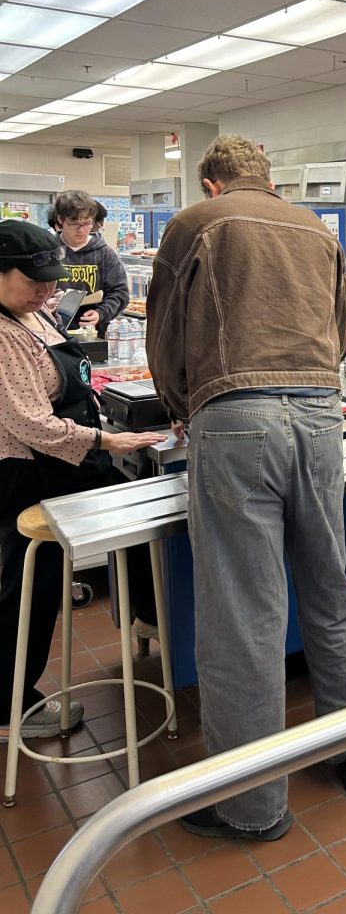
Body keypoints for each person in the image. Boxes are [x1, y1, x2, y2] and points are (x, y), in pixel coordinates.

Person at [146, 134, 346, 843]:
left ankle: (250, 806)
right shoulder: (316, 229)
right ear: (269, 181)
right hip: (319, 417)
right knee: (329, 586)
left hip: (233, 418)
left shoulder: (195, 224)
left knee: (246, 613)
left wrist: (187, 406)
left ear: (212, 183)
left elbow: (162, 335)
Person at [0, 221, 164, 741]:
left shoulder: (32, 314)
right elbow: (29, 422)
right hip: (26, 471)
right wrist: (104, 441)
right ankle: (8, 707)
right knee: (26, 586)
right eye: (34, 280)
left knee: (43, 583)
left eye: (52, 279)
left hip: (56, 461)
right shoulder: (2, 335)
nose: (48, 290)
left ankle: (149, 614)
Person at [47, 191, 129, 335]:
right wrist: (43, 305)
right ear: (60, 220)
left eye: (86, 223)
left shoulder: (105, 254)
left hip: (93, 334)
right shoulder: (48, 251)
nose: (82, 230)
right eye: (74, 224)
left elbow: (120, 293)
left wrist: (101, 313)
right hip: (51, 331)